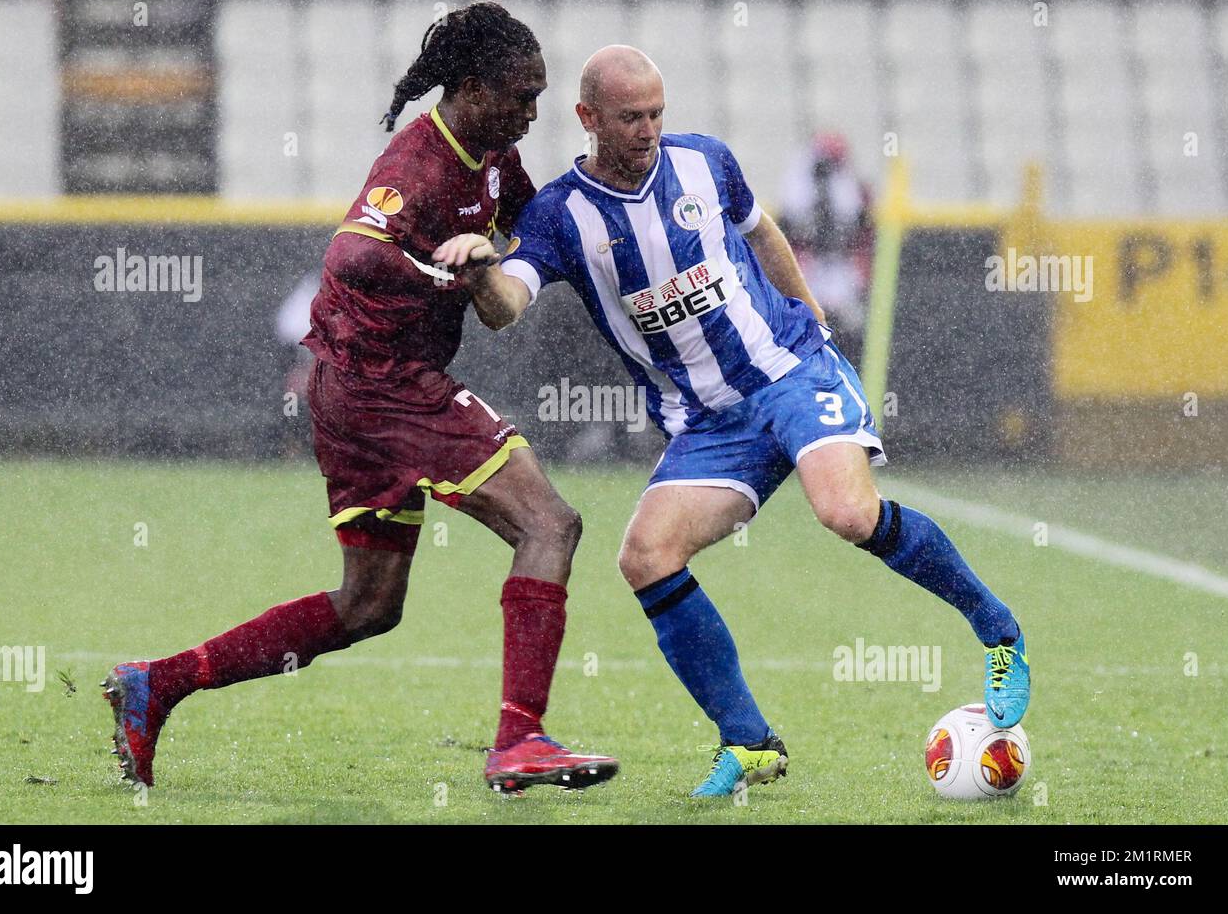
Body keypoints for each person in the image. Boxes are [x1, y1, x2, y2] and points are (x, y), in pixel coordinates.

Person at [433, 45, 1029, 798]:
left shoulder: (705, 162)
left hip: (789, 373)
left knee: (847, 513)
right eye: (630, 117)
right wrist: (481, 268)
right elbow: (506, 307)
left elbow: (763, 233)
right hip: (709, 422)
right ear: (587, 117)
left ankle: (998, 630)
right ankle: (748, 741)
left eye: (656, 113)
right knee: (646, 556)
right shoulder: (559, 213)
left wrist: (813, 324)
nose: (648, 129)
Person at [103, 2, 619, 795]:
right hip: (385, 386)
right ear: (473, 89)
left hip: (357, 390)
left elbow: (537, 221)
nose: (532, 112)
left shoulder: (491, 155)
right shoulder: (418, 165)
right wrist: (442, 270)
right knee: (550, 523)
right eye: (522, 96)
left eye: (539, 97)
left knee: (369, 604)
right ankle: (520, 740)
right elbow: (350, 253)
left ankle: (157, 683)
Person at [778, 132, 873, 364]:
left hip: (840, 264)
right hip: (810, 264)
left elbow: (856, 223)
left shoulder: (848, 186)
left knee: (848, 325)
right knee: (809, 323)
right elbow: (793, 222)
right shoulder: (800, 181)